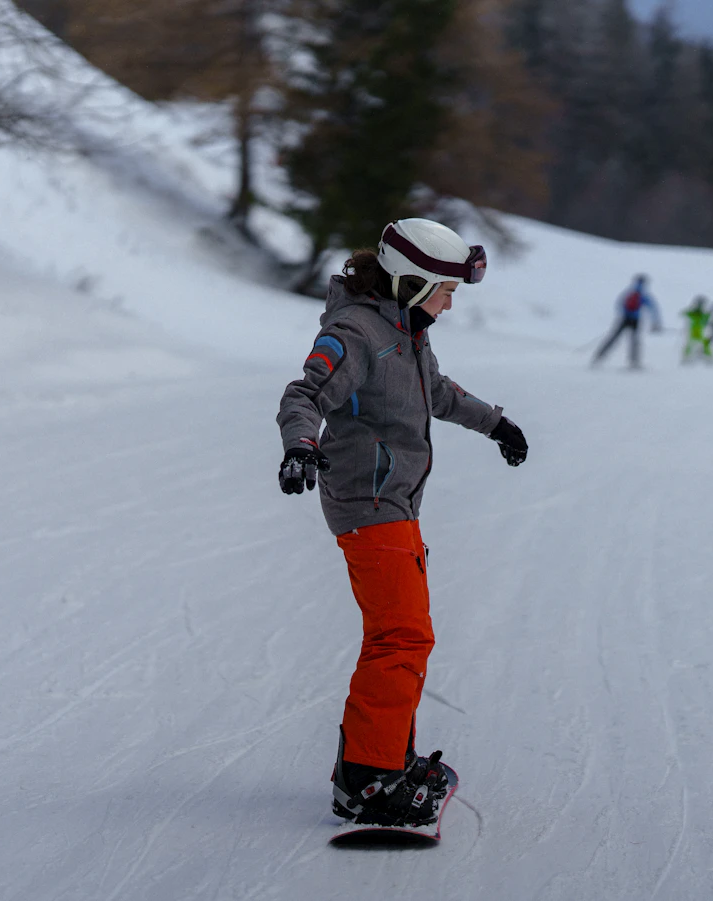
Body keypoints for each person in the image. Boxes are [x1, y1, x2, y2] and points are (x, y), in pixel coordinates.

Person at [277, 218, 528, 829]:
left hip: (397, 500)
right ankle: (365, 782)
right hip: (367, 501)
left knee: (401, 634)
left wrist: (495, 423)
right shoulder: (355, 333)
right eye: (445, 290)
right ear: (412, 283)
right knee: (402, 637)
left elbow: (435, 391)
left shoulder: (407, 330)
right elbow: (303, 396)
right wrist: (301, 445)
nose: (449, 303)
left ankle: (387, 757)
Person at [592, 275, 662, 369]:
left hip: (624, 319)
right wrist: (656, 322)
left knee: (613, 338)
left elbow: (619, 303)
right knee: (634, 341)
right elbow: (653, 308)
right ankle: (634, 362)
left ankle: (599, 356)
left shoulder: (629, 292)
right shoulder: (643, 294)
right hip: (635, 320)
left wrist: (623, 314)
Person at [682, 296, 713, 363]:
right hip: (694, 331)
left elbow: (707, 318)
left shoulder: (701, 314)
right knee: (691, 344)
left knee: (702, 343)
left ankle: (708, 356)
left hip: (699, 331)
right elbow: (685, 313)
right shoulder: (694, 313)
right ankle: (686, 357)